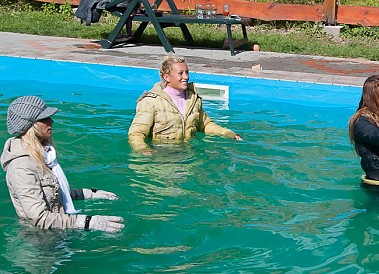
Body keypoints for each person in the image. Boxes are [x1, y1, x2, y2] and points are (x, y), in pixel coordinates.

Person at [1, 96, 124, 232]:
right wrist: (88, 222)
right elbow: (39, 218)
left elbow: (52, 193)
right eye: (44, 119)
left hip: (59, 232)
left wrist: (88, 194)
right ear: (30, 125)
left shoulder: (44, 154)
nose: (51, 121)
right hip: (42, 241)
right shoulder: (21, 167)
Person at [128, 56, 242, 153]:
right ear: (166, 77)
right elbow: (136, 133)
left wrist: (227, 133)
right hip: (161, 157)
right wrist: (142, 148)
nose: (186, 77)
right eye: (180, 73)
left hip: (189, 154)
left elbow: (205, 124)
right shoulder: (150, 102)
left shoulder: (193, 99)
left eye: (187, 72)